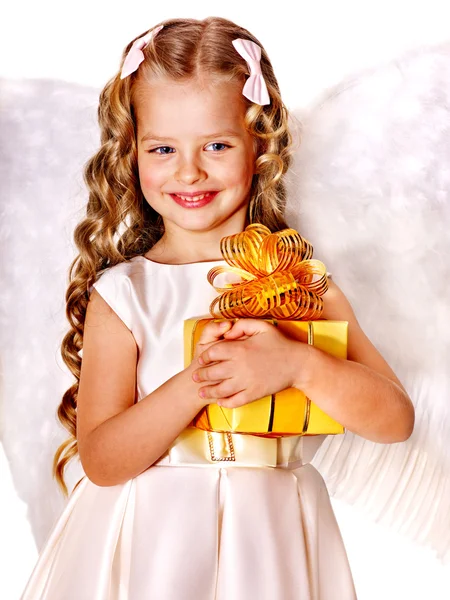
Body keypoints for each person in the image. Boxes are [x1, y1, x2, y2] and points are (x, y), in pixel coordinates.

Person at [20, 16, 415, 600]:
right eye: (162, 148)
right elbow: (102, 460)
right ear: (131, 154)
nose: (189, 170)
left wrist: (298, 365)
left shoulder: (299, 283)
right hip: (155, 548)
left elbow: (394, 419)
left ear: (259, 146)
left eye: (217, 145)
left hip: (271, 541)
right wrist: (198, 385)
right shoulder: (127, 294)